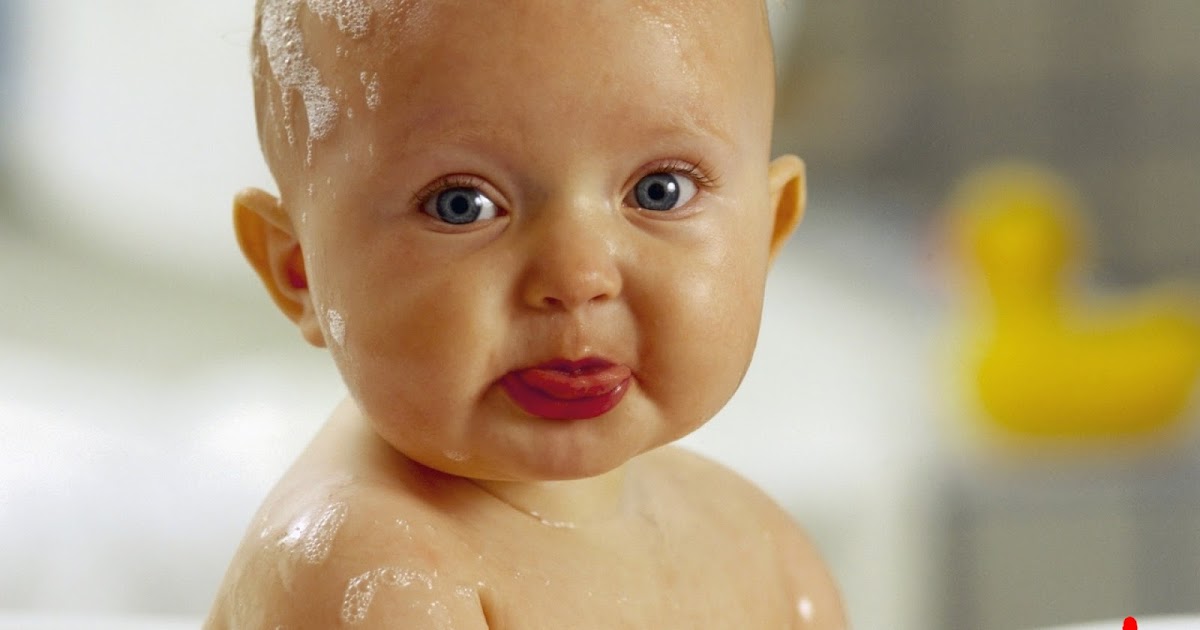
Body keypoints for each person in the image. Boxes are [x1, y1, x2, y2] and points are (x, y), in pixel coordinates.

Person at [206, 0, 846, 627]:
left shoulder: (761, 548)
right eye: (462, 204)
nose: (577, 278)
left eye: (660, 191)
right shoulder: (373, 578)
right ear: (300, 272)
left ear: (769, 231)